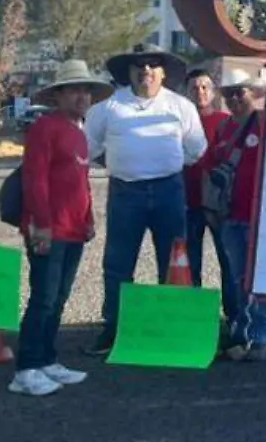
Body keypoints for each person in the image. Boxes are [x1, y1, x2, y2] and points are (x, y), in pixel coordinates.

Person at [85, 43, 208, 356]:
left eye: (153, 65)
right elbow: (88, 147)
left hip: (169, 190)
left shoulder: (181, 106)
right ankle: (113, 329)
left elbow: (196, 150)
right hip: (126, 191)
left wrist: (165, 164)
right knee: (118, 263)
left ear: (163, 72)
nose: (146, 71)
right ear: (128, 72)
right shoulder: (109, 106)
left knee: (175, 262)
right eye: (139, 65)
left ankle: (175, 328)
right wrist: (118, 161)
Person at [12, 59, 113, 396]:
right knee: (43, 298)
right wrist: (41, 224)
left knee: (58, 298)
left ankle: (47, 359)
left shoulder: (79, 133)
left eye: (86, 90)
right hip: (48, 230)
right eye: (74, 90)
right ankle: (26, 368)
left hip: (72, 231)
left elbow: (81, 183)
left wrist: (88, 220)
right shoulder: (45, 127)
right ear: (58, 95)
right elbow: (35, 178)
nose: (82, 96)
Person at [214, 68, 266, 361]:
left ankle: (262, 336)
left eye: (240, 91)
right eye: (229, 93)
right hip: (231, 214)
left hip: (257, 214)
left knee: (259, 278)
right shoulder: (224, 129)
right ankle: (244, 333)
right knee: (239, 277)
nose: (235, 98)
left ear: (254, 93)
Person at [181, 68, 233, 291]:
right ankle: (193, 316)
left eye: (204, 87)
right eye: (194, 88)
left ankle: (233, 316)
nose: (200, 92)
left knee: (228, 260)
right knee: (189, 263)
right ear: (187, 92)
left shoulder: (227, 122)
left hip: (218, 203)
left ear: (213, 92)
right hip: (187, 202)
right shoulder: (179, 123)